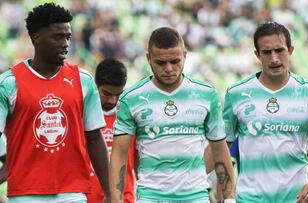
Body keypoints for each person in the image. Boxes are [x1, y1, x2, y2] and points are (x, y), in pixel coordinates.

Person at [109, 27, 235, 203]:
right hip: (150, 196)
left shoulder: (206, 94)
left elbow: (220, 149)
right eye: (161, 63)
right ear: (148, 59)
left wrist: (229, 199)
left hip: (195, 196)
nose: (169, 69)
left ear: (185, 55)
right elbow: (120, 154)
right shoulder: (131, 98)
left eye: (175, 61)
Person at [0, 3, 110, 202]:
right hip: (25, 194)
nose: (66, 44)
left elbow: (94, 138)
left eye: (67, 37)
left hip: (73, 193)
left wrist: (110, 192)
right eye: (57, 37)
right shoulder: (9, 83)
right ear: (36, 38)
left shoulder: (83, 81)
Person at [222, 21, 308, 203]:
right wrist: (228, 196)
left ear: (290, 50)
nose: (274, 58)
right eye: (267, 52)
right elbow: (220, 148)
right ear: (257, 55)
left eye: (279, 50)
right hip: (249, 199)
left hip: (297, 199)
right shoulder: (236, 93)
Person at [86, 58, 137, 203]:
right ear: (96, 86)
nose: (112, 100)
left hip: (124, 198)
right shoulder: (81, 117)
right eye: (107, 93)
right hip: (88, 198)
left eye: (118, 94)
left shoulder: (131, 118)